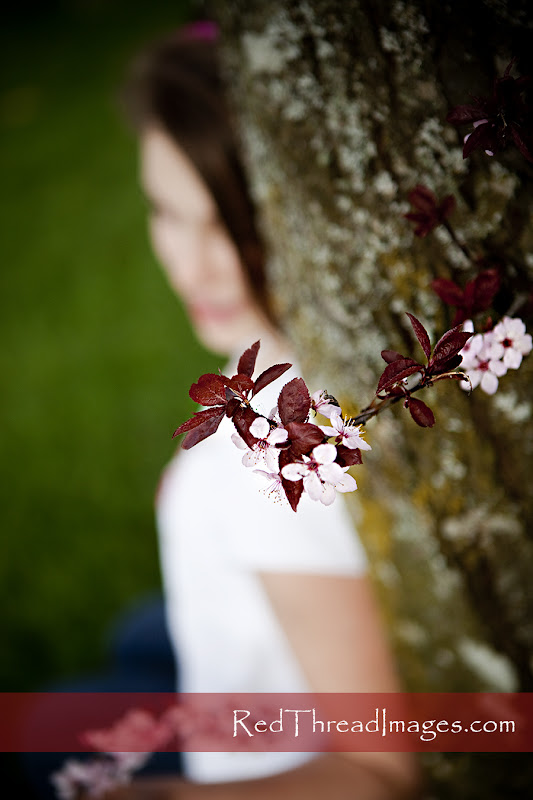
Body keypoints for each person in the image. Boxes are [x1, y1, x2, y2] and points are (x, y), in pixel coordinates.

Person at [110, 21, 420, 799]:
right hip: (226, 619)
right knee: (130, 638)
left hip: (252, 750)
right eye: (165, 212)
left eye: (229, 223)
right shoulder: (284, 358)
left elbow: (378, 766)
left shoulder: (280, 453)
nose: (192, 266)